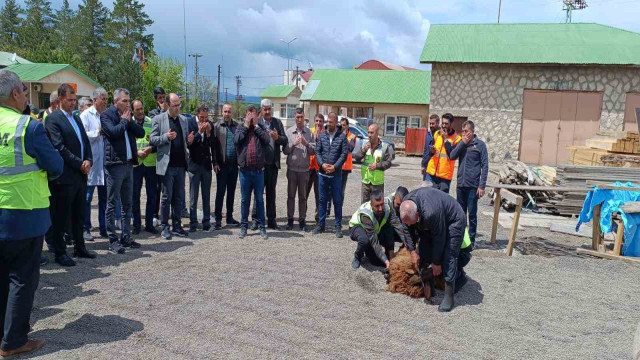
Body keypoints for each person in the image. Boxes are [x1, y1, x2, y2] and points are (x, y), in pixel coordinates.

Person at [0, 70, 63, 358]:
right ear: (15, 94)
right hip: (24, 212)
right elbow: (56, 165)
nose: (26, 96)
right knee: (22, 278)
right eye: (25, 92)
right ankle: (13, 342)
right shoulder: (28, 126)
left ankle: (3, 334)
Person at [45, 83, 95, 266]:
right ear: (60, 99)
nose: (73, 103)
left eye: (75, 100)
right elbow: (59, 147)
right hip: (65, 177)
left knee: (78, 214)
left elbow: (85, 142)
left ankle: (80, 247)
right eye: (70, 100)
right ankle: (60, 252)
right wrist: (79, 163)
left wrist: (88, 159)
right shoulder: (53, 119)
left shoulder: (76, 118)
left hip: (81, 175)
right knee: (61, 216)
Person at [399, 187, 471, 312]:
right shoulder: (407, 204)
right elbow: (407, 229)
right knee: (424, 249)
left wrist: (436, 263)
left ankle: (449, 296)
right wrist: (412, 251)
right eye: (407, 222)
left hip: (453, 220)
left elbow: (440, 238)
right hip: (433, 219)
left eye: (411, 222)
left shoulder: (431, 213)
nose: (409, 225)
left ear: (417, 214)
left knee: (449, 254)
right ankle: (428, 282)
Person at [101, 88, 145, 253]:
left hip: (128, 164)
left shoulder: (127, 116)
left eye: (129, 101)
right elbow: (112, 133)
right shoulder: (107, 115)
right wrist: (125, 122)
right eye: (125, 101)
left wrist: (129, 121)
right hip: (114, 165)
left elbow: (140, 133)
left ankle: (126, 236)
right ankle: (113, 240)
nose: (128, 104)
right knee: (112, 204)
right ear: (115, 102)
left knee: (128, 204)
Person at [150, 93, 193, 240]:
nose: (177, 108)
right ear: (167, 105)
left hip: (181, 165)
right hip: (167, 165)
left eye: (179, 105)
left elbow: (186, 141)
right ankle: (165, 227)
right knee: (166, 197)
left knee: (179, 197)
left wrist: (190, 140)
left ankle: (177, 226)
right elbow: (153, 139)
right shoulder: (158, 119)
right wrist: (165, 137)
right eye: (175, 105)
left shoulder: (183, 120)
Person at [449, 120, 488, 246]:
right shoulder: (462, 143)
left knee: (472, 213)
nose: (464, 134)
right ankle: (461, 238)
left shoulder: (480, 145)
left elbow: (485, 166)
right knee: (461, 214)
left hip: (473, 186)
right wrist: (462, 143)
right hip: (461, 185)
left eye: (466, 131)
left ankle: (471, 240)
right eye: (463, 131)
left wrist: (481, 186)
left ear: (472, 131)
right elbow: (452, 156)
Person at [349, 190, 410, 270]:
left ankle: (371, 251)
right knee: (365, 241)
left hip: (374, 229)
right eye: (377, 206)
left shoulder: (387, 206)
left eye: (382, 204)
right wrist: (386, 261)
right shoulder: (366, 215)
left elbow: (397, 225)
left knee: (377, 261)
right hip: (357, 227)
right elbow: (374, 241)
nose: (381, 208)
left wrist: (409, 245)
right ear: (371, 204)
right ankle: (358, 256)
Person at [250, 99, 287, 230]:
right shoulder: (257, 123)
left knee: (271, 193)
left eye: (269, 109)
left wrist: (278, 138)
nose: (267, 111)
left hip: (273, 165)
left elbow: (285, 140)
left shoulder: (277, 122)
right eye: (264, 109)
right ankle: (255, 220)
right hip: (260, 165)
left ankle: (271, 220)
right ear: (261, 109)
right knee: (258, 194)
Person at [235, 105, 270, 239]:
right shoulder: (240, 127)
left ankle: (262, 227)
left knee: (260, 200)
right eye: (249, 113)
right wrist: (245, 126)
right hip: (244, 171)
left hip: (258, 172)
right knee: (244, 200)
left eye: (254, 113)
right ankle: (244, 227)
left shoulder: (260, 128)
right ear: (245, 114)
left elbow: (267, 141)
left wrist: (255, 127)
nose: (251, 116)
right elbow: (237, 140)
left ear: (257, 115)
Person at [313, 112, 348, 238]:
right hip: (322, 174)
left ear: (336, 123)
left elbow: (344, 154)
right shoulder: (322, 136)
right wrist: (322, 164)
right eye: (328, 122)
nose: (329, 124)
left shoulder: (342, 137)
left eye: (331, 122)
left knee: (337, 201)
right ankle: (321, 225)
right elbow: (317, 152)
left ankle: (338, 226)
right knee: (322, 200)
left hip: (336, 175)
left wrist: (335, 167)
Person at [81, 88, 109, 240]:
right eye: (103, 99)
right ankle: (86, 228)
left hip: (104, 163)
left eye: (106, 99)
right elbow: (83, 136)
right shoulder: (86, 115)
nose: (105, 102)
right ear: (95, 100)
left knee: (105, 198)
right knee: (87, 198)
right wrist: (98, 132)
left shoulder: (106, 115)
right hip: (91, 164)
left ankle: (104, 227)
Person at [283, 108, 315, 231]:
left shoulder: (309, 133)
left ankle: (302, 220)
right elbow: (285, 151)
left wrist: (306, 143)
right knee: (290, 196)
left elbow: (314, 151)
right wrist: (293, 144)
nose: (299, 119)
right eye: (297, 117)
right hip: (291, 170)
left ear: (304, 117)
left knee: (303, 197)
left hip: (304, 171)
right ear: (294, 117)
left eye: (301, 117)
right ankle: (290, 220)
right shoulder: (289, 132)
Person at [131, 99, 158, 235]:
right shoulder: (129, 123)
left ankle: (149, 224)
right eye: (137, 110)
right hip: (136, 164)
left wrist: (150, 148)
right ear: (132, 111)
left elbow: (157, 141)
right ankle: (136, 224)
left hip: (150, 163)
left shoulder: (151, 121)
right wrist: (136, 152)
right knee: (135, 195)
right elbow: (126, 144)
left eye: (142, 108)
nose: (141, 112)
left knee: (152, 195)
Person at [211, 103, 240, 229]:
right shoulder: (216, 126)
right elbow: (213, 147)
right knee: (220, 192)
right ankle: (218, 219)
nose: (227, 114)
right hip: (221, 166)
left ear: (231, 113)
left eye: (229, 111)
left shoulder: (237, 126)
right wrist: (215, 162)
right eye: (225, 111)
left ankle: (229, 217)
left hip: (234, 166)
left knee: (231, 193)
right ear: (222, 112)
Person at [187, 104, 214, 232]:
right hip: (194, 165)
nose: (204, 120)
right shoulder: (190, 123)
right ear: (197, 114)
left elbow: (213, 144)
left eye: (206, 117)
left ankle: (206, 222)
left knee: (206, 195)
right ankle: (193, 222)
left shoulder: (210, 124)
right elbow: (190, 145)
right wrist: (199, 133)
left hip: (206, 165)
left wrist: (208, 133)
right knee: (193, 196)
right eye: (202, 117)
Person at [354, 123, 392, 204]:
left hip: (378, 183)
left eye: (372, 132)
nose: (369, 135)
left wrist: (377, 165)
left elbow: (388, 163)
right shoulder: (365, 145)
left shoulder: (385, 147)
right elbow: (357, 158)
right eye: (368, 132)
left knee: (378, 206)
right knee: (364, 206)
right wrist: (363, 150)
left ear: (377, 133)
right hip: (366, 183)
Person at [425, 113, 461, 193]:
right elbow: (432, 153)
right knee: (428, 197)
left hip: (444, 176)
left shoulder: (457, 139)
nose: (444, 126)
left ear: (452, 124)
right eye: (443, 123)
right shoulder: (437, 134)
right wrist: (432, 151)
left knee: (441, 201)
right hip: (431, 172)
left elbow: (452, 155)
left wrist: (445, 140)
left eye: (446, 123)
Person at [306, 114, 325, 223]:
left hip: (319, 168)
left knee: (319, 195)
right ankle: (303, 217)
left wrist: (319, 138)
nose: (318, 123)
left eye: (320, 121)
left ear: (323, 122)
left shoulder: (325, 134)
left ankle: (318, 217)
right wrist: (314, 137)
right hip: (309, 166)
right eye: (317, 121)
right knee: (305, 193)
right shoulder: (309, 132)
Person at [340, 117, 356, 201]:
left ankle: (339, 209)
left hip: (345, 167)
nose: (342, 127)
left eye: (344, 125)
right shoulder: (337, 134)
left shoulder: (352, 136)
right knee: (331, 189)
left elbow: (350, 148)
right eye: (341, 125)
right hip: (336, 165)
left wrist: (344, 137)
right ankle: (328, 210)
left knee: (341, 190)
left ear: (347, 126)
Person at [421, 114, 440, 179]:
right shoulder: (428, 135)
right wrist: (423, 165)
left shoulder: (441, 135)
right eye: (430, 124)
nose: (431, 125)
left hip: (436, 168)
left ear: (438, 123)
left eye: (433, 124)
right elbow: (425, 150)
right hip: (427, 167)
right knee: (426, 186)